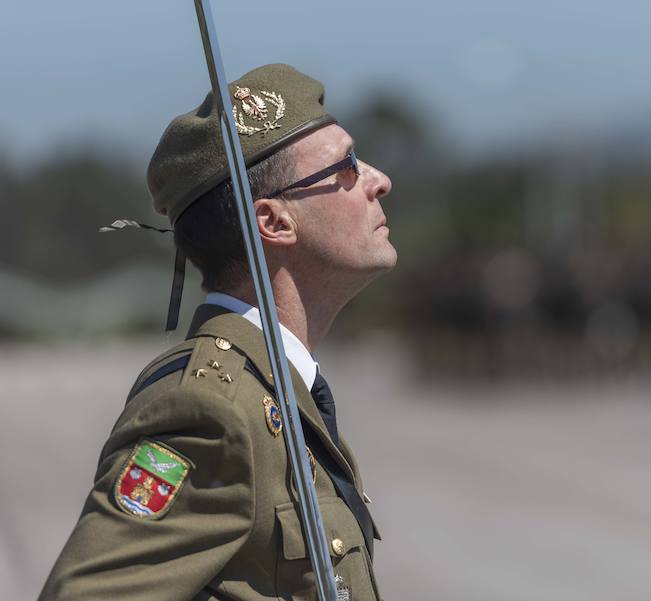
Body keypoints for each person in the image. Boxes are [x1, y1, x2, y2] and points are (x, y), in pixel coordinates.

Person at [38, 63, 394, 601]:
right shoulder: (212, 410)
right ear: (273, 222)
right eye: (345, 165)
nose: (377, 179)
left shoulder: (280, 390)